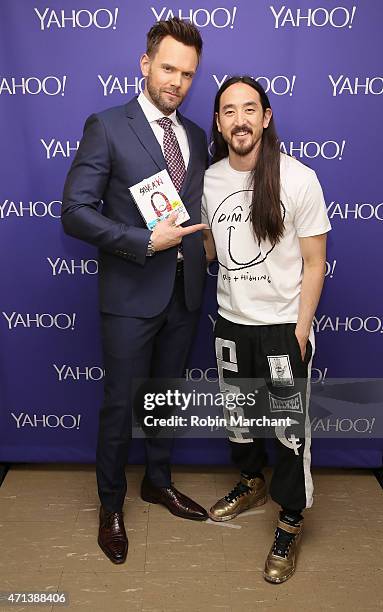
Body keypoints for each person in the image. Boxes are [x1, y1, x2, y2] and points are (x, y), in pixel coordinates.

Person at [61, 18, 209, 565]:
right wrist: (143, 240)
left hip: (185, 292)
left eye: (187, 73)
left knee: (164, 401)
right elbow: (73, 212)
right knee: (121, 404)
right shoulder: (106, 125)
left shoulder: (195, 136)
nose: (177, 81)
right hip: (129, 294)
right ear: (145, 64)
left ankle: (159, 482)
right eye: (168, 68)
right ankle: (111, 505)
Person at [202, 76, 331, 583]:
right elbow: (213, 250)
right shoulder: (209, 179)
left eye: (249, 108)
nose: (240, 119)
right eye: (229, 110)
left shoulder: (299, 179)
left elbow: (316, 262)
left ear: (266, 117)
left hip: (281, 328)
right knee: (240, 421)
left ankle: (291, 520)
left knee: (290, 436)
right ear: (219, 122)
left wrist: (299, 333)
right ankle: (251, 482)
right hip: (231, 324)